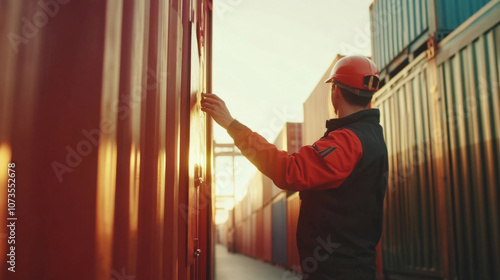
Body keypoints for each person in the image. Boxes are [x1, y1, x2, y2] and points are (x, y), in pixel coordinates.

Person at [201, 55, 388, 280]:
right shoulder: (373, 136)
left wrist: (233, 127)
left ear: (335, 91)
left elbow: (289, 171)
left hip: (337, 271)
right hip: (355, 268)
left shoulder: (348, 141)